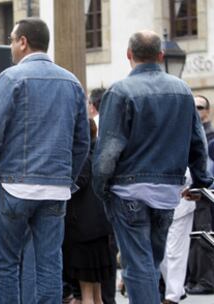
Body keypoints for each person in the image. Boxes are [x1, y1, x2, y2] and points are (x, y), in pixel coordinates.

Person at [92, 30, 213, 304]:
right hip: (167, 191)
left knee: (140, 265)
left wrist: (101, 188)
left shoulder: (120, 91)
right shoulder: (182, 91)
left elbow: (108, 151)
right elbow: (197, 142)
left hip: (128, 190)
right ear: (161, 56)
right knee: (151, 259)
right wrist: (201, 181)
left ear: (128, 55)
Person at [0, 17, 90, 303]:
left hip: (14, 184)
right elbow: (82, 141)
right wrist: (67, 178)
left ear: (23, 42)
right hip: (55, 188)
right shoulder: (72, 82)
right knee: (50, 265)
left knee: (5, 264)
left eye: (13, 40)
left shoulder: (11, 77)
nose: (12, 46)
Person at [63, 119, 115, 304]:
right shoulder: (99, 154)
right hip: (99, 227)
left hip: (83, 230)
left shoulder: (81, 158)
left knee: (87, 295)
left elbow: (77, 184)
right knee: (97, 294)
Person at [185, 95, 214, 295]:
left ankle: (206, 280)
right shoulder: (187, 133)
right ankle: (193, 278)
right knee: (192, 237)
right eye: (192, 106)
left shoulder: (210, 136)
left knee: (203, 235)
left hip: (205, 192)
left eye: (200, 107)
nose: (196, 110)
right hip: (189, 192)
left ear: (207, 111)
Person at [160, 170, 195, 304]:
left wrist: (198, 184)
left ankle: (173, 296)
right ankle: (176, 290)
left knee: (175, 252)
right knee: (162, 251)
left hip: (181, 197)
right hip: (157, 198)